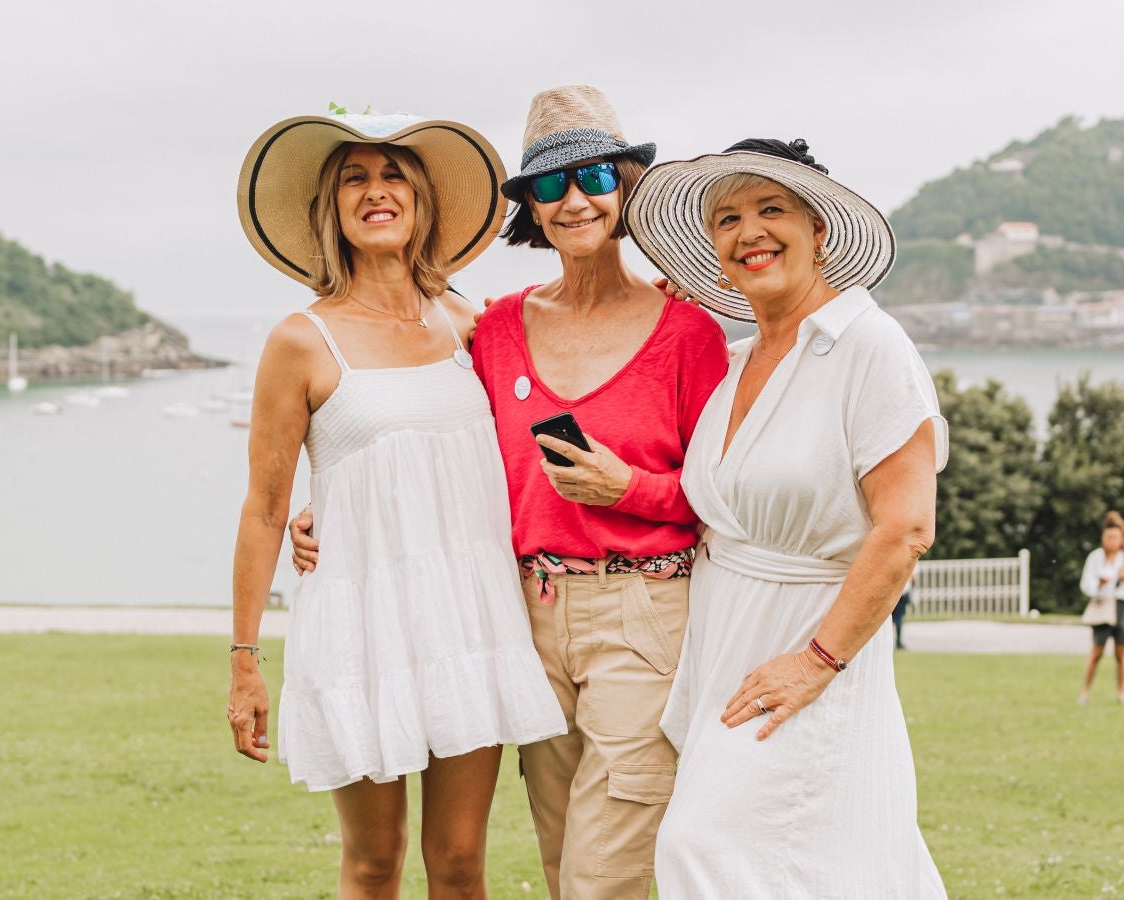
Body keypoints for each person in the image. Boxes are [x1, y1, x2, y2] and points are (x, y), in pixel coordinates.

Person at [293, 85, 730, 899]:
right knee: (562, 865)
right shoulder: (493, 329)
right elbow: (418, 430)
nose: (576, 200)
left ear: (627, 187)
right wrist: (338, 509)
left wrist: (628, 487)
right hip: (524, 619)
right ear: (531, 205)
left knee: (605, 876)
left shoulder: (687, 331)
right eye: (552, 184)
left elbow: (727, 498)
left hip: (644, 614)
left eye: (595, 177)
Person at [228, 108, 564, 898]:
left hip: (469, 619)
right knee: (373, 863)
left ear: (420, 202)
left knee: (460, 863)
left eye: (393, 177)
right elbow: (266, 509)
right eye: (355, 179)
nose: (376, 191)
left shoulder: (468, 323)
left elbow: (565, 377)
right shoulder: (300, 341)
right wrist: (244, 661)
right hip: (360, 625)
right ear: (332, 209)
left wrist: (659, 295)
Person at [625, 138, 950, 897]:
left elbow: (906, 528)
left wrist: (816, 662)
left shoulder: (870, 346)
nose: (750, 232)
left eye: (771, 209)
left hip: (812, 645)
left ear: (818, 230)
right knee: (806, 868)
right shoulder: (737, 362)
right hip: (724, 649)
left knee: (702, 847)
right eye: (727, 218)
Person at [1078, 510, 1124, 706]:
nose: (1112, 541)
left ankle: (1121, 693)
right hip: (1103, 605)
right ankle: (1085, 692)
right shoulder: (1096, 557)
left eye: (1115, 537)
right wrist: (1099, 584)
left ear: (1121, 538)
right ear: (1103, 538)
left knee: (1121, 653)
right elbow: (1086, 584)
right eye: (1108, 537)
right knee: (1096, 652)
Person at [892, 583, 913, 650]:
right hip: (898, 605)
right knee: (898, 624)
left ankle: (898, 642)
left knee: (897, 624)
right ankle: (898, 642)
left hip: (897, 604)